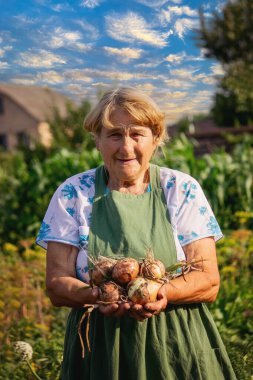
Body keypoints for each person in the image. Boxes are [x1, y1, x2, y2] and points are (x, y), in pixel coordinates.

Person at [36, 87, 236, 380]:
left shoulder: (180, 189)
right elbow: (56, 285)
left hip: (177, 345)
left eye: (137, 134)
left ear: (155, 140)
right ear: (98, 141)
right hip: (100, 352)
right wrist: (100, 296)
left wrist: (160, 293)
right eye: (115, 134)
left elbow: (208, 280)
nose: (126, 148)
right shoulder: (73, 193)